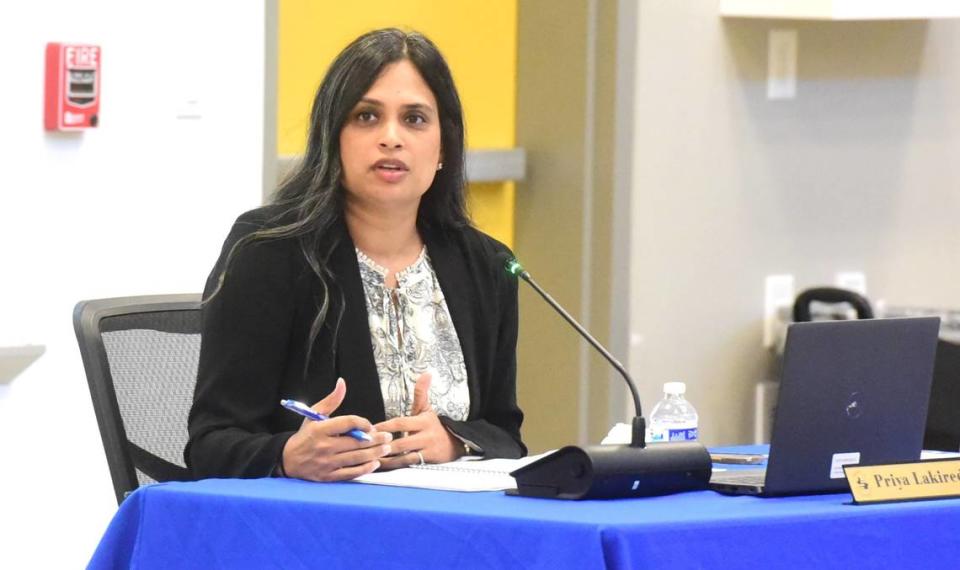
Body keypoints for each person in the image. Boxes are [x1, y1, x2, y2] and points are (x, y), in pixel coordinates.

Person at [185, 28, 526, 482]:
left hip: (446, 531)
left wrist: (454, 440)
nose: (391, 137)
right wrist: (288, 455)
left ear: (443, 146)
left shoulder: (485, 266)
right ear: (333, 138)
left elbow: (506, 433)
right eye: (367, 116)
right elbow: (211, 443)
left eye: (415, 119)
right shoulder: (268, 250)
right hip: (313, 534)